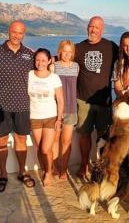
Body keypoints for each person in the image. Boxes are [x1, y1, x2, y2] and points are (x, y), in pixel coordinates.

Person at [0, 20, 35, 192]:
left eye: (20, 33)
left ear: (24, 34)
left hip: (23, 104)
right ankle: (3, 174)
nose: (17, 36)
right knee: (1, 141)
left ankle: (22, 172)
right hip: (0, 105)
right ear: (8, 31)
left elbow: (45, 66)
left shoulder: (29, 54)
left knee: (21, 140)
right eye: (14, 32)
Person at [74, 16, 119, 178]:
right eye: (91, 26)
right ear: (87, 27)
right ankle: (84, 165)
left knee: (103, 137)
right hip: (83, 100)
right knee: (84, 135)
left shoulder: (111, 47)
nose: (93, 30)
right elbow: (62, 58)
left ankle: (102, 168)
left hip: (103, 103)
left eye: (97, 27)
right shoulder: (78, 48)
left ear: (102, 30)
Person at [29, 48, 64, 186]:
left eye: (43, 60)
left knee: (45, 149)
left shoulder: (54, 77)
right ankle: (46, 168)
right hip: (34, 116)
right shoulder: (30, 74)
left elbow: (60, 100)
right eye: (37, 59)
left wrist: (59, 119)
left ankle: (48, 173)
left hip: (50, 116)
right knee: (39, 149)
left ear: (49, 61)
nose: (40, 63)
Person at [51, 40, 79, 179]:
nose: (67, 54)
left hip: (71, 109)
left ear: (73, 53)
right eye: (64, 51)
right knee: (55, 139)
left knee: (66, 141)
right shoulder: (53, 66)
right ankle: (55, 166)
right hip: (56, 109)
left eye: (70, 52)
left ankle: (64, 168)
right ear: (59, 51)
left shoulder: (76, 67)